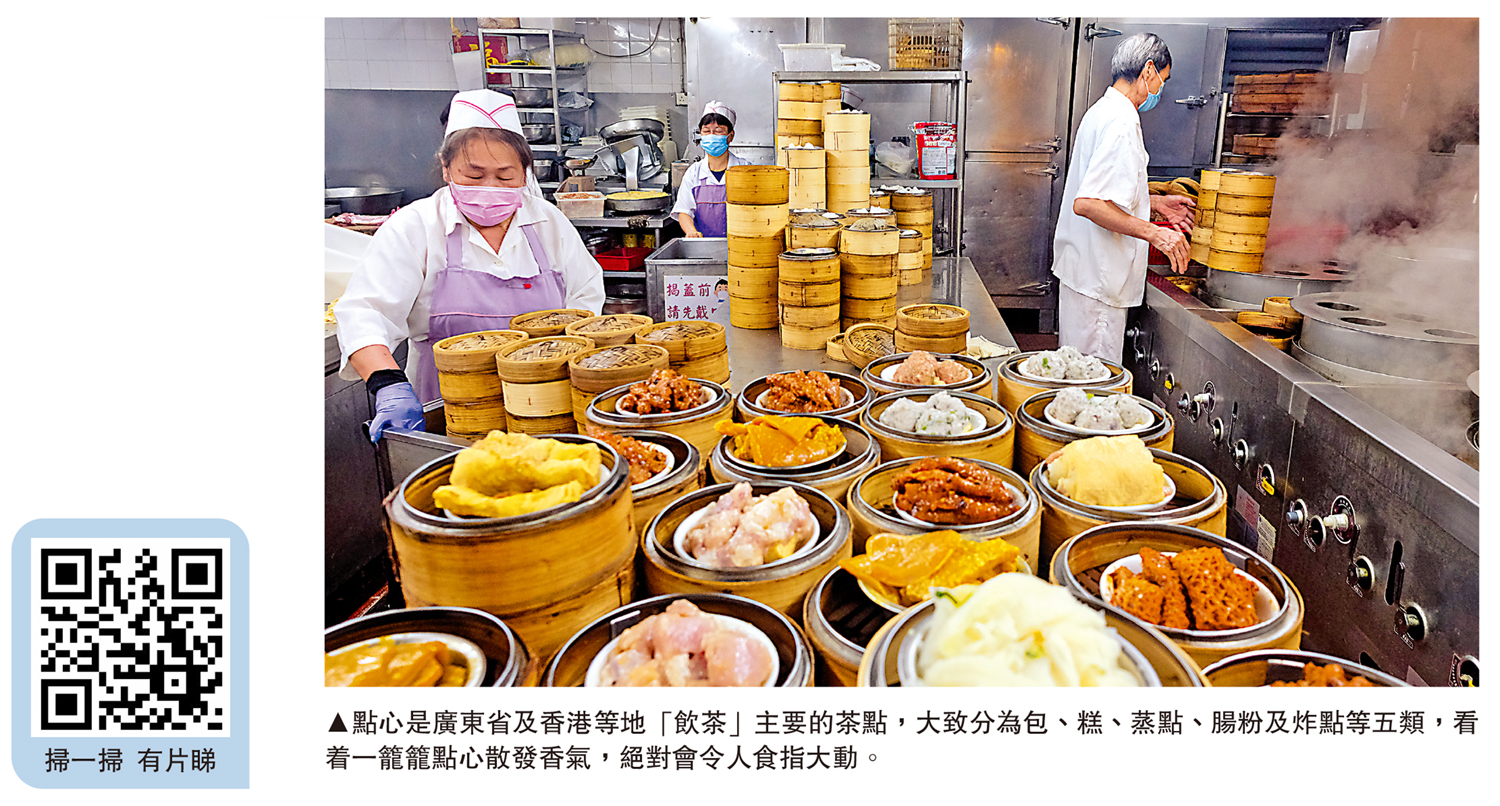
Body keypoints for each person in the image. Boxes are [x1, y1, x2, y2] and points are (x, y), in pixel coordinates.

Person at [334, 89, 605, 441]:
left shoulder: (548, 223)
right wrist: (388, 385)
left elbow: (585, 302)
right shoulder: (416, 227)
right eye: (474, 176)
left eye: (506, 177)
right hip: (450, 415)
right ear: (446, 168)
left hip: (546, 412)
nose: (490, 187)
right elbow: (365, 313)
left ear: (525, 173)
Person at [1051, 32, 1196, 364]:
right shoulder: (1121, 121)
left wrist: (1154, 203)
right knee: (1094, 391)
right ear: (1148, 71)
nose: (1161, 89)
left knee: (1076, 377)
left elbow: (1104, 186)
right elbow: (1088, 203)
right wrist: (1155, 232)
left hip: (1085, 273)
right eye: (1163, 79)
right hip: (1100, 282)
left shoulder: (1103, 111)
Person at [671, 101, 750, 238]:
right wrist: (691, 231)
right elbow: (684, 211)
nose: (712, 135)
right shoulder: (694, 173)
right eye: (706, 131)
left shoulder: (745, 170)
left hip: (741, 245)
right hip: (704, 246)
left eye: (718, 131)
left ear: (730, 136)